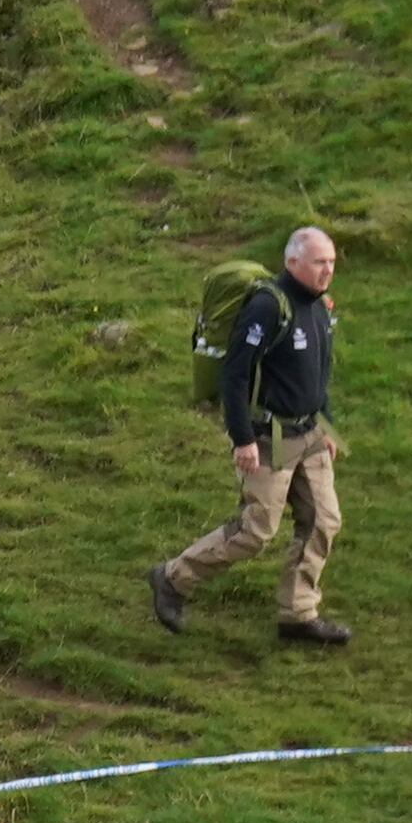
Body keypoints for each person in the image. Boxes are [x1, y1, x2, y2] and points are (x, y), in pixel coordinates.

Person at [154, 224, 347, 646]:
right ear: (292, 261)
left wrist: (327, 426)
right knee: (254, 532)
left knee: (322, 521)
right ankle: (172, 578)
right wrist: (242, 438)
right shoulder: (267, 306)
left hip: (310, 432)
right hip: (269, 437)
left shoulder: (318, 306)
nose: (327, 270)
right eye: (319, 262)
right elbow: (235, 374)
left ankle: (297, 613)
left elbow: (318, 373)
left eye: (331, 262)